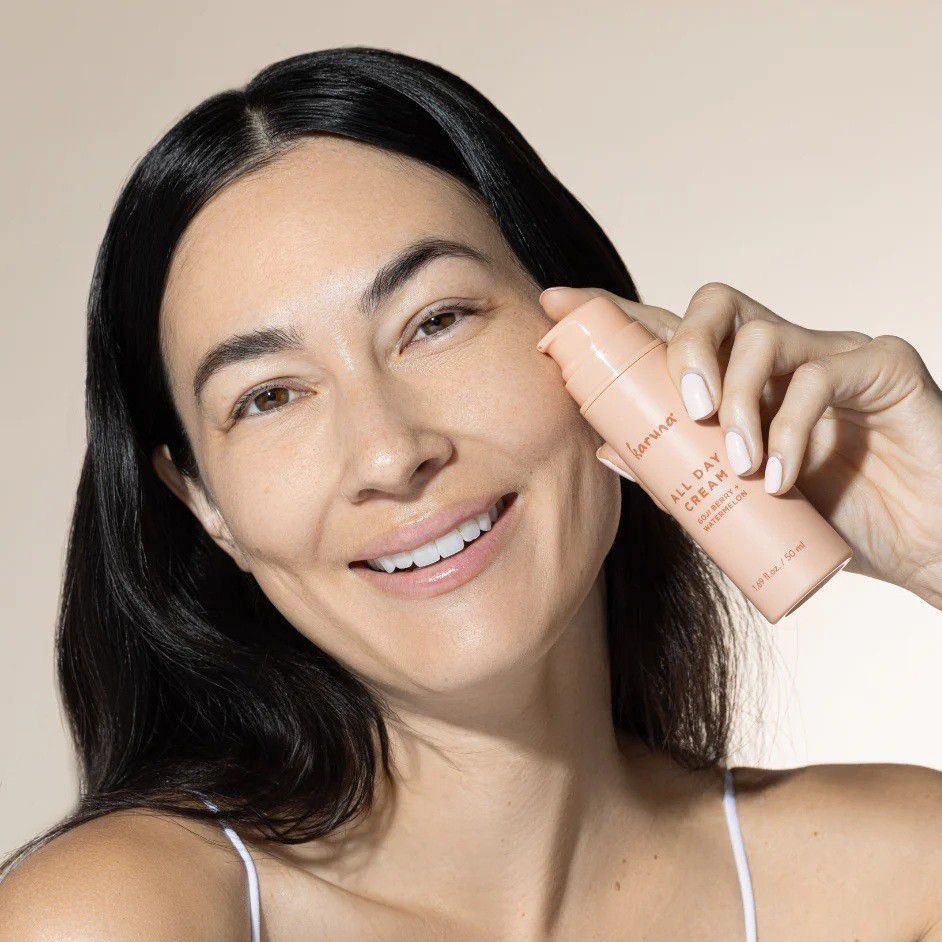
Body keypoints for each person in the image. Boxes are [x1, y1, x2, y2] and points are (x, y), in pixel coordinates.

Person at [1, 46, 940, 941]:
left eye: (437, 321)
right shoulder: (115, 918)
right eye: (270, 396)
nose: (389, 453)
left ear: (602, 332)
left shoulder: (903, 882)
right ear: (206, 506)